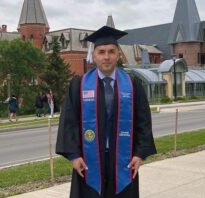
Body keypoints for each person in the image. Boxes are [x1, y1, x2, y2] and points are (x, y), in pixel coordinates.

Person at [56, 26, 156, 198]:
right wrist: (74, 155)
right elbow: (69, 122)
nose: (106, 57)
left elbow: (143, 121)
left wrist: (139, 154)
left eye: (111, 51)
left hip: (124, 160)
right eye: (101, 52)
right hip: (88, 161)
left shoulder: (132, 85)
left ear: (118, 54)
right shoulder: (79, 85)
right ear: (94, 56)